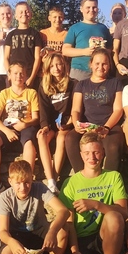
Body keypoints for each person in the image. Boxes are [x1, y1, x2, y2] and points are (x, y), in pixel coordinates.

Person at [59, 133, 128, 254]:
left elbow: (124, 212)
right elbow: (68, 223)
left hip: (102, 237)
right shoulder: (70, 183)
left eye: (96, 152)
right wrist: (75, 251)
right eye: (87, 153)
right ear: (81, 155)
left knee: (114, 216)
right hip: (79, 240)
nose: (92, 157)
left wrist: (96, 205)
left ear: (103, 152)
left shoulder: (113, 177)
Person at [0, 160, 71, 254]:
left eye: (27, 182)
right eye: (18, 183)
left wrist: (52, 231)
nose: (23, 187)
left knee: (62, 231)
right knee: (6, 252)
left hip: (39, 232)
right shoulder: (5, 197)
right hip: (17, 235)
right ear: (10, 181)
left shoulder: (39, 188)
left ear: (32, 179)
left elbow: (63, 211)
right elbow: (3, 231)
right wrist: (11, 242)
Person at [0, 61, 40, 203]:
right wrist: (6, 131)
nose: (19, 76)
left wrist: (26, 124)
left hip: (25, 126)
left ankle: (27, 180)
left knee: (29, 144)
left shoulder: (31, 93)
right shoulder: (4, 93)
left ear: (26, 76)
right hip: (8, 126)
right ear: (9, 75)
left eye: (22, 73)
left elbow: (36, 118)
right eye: (15, 73)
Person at [65, 48, 123, 173]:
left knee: (113, 146)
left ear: (109, 65)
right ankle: (82, 176)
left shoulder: (115, 83)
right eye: (97, 63)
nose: (100, 67)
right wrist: (76, 124)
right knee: (70, 138)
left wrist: (106, 128)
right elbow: (75, 110)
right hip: (88, 125)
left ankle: (108, 179)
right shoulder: (81, 84)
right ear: (90, 64)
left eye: (104, 64)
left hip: (109, 126)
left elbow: (118, 110)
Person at [37, 53, 75, 193]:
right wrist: (45, 126)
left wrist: (68, 124)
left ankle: (54, 178)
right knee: (41, 137)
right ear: (47, 69)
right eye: (52, 66)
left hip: (67, 123)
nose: (56, 68)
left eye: (59, 64)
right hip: (51, 125)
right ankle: (51, 180)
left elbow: (76, 109)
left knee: (61, 138)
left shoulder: (73, 84)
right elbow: (43, 110)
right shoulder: (44, 86)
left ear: (64, 65)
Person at [62, 0, 112, 80]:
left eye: (94, 7)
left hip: (100, 71)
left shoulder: (103, 28)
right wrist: (85, 51)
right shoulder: (75, 28)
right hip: (79, 71)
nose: (91, 10)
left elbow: (110, 49)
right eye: (88, 7)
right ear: (81, 9)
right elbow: (65, 50)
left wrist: (103, 50)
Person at [3, 2, 42, 87]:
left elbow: (37, 58)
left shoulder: (35, 34)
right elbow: (6, 57)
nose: (24, 14)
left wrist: (32, 77)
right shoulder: (11, 35)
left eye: (26, 11)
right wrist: (9, 74)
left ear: (31, 15)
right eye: (21, 12)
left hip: (29, 76)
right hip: (14, 76)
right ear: (16, 16)